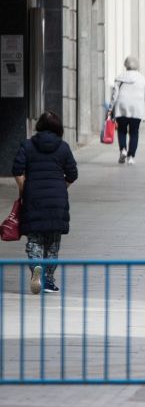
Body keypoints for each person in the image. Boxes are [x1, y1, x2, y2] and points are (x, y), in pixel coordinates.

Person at [11, 111, 78, 295]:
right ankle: (48, 280)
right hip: (57, 201)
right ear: (58, 128)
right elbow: (73, 174)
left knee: (34, 239)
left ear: (39, 126)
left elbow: (16, 169)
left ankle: (36, 268)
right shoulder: (63, 147)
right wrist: (61, 187)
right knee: (53, 243)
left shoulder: (27, 145)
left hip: (33, 198)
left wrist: (25, 188)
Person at [109, 56, 145, 166]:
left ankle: (123, 150)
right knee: (134, 132)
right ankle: (131, 157)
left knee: (122, 130)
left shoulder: (120, 77)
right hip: (136, 109)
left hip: (121, 107)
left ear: (126, 65)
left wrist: (110, 109)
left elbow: (114, 95)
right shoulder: (141, 78)